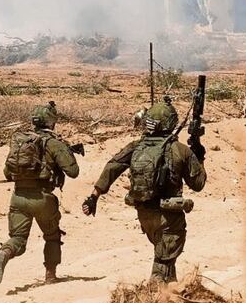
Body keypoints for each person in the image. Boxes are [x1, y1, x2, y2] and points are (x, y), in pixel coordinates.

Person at [83, 99, 206, 283]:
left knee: (165, 256)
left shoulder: (136, 147)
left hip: (144, 214)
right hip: (169, 216)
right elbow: (198, 184)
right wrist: (199, 156)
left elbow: (112, 167)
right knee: (163, 261)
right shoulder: (180, 150)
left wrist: (94, 197)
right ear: (171, 123)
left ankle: (171, 298)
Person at [0, 101, 80, 285]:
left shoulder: (21, 141)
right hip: (42, 198)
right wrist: (65, 153)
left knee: (17, 239)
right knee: (52, 236)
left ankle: (5, 252)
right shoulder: (54, 143)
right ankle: (50, 275)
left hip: (18, 197)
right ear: (51, 122)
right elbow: (73, 172)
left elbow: (8, 173)